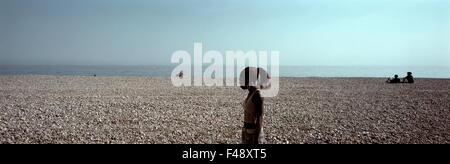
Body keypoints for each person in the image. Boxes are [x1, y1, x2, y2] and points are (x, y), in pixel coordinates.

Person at [239, 67, 270, 144]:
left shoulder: (257, 95)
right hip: (247, 132)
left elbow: (260, 118)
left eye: (241, 79)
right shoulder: (250, 93)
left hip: (254, 134)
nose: (240, 81)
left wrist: (257, 139)